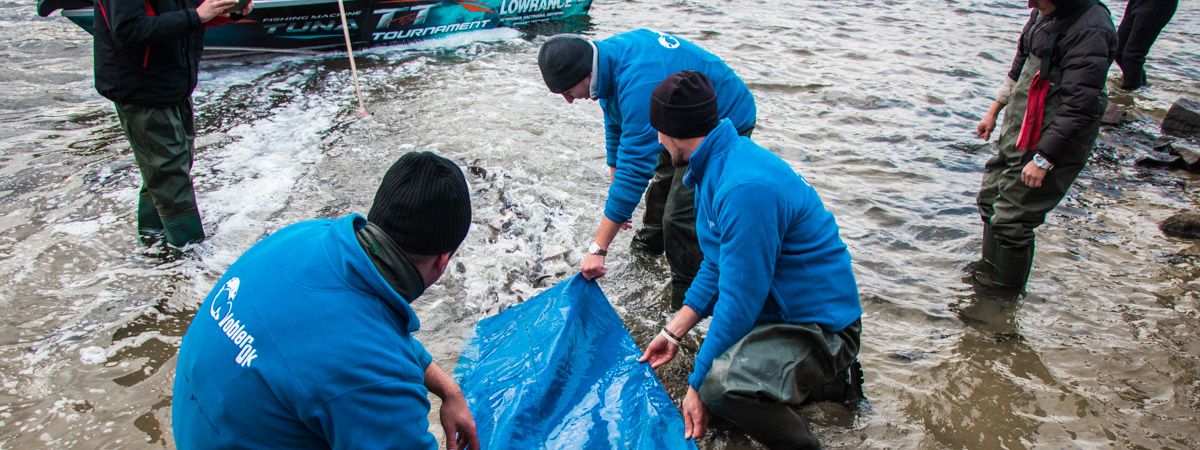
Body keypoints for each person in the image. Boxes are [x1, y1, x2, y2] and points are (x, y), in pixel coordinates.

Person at [172, 152, 480, 449]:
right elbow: (364, 357)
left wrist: (449, 390)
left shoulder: (307, 235)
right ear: (442, 260)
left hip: (201, 422)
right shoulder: (373, 372)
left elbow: (354, 338)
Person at [638, 71, 863, 449]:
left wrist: (697, 384)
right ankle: (796, 391)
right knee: (722, 402)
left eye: (659, 130)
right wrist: (672, 332)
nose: (658, 140)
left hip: (823, 329)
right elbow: (716, 262)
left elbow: (740, 300)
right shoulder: (716, 164)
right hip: (782, 315)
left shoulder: (744, 188)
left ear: (673, 129)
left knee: (720, 387)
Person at [537, 29, 756, 307]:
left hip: (722, 121)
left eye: (568, 91)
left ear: (585, 75)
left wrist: (598, 248)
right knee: (659, 200)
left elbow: (635, 170)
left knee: (679, 217)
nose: (569, 100)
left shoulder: (639, 83)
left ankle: (687, 301)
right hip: (673, 121)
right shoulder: (604, 59)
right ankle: (647, 252)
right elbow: (615, 122)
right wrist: (617, 190)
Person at [972, 0, 1116, 292]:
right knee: (990, 200)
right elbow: (1020, 62)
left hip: (1054, 137)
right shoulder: (1043, 13)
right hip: (1020, 126)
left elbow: (1080, 106)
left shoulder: (1091, 28)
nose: (1030, 4)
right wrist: (994, 109)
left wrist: (1044, 159)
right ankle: (986, 277)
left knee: (1013, 221)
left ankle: (1002, 302)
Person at [94, 0, 250, 247]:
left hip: (173, 81)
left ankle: (154, 242)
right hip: (142, 87)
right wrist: (197, 16)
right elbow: (128, 31)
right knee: (170, 174)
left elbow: (191, 12)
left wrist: (226, 12)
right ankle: (189, 256)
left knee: (171, 168)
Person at [1115, 0, 1178, 90]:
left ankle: (1130, 95)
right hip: (1138, 2)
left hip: (1158, 4)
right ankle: (1139, 89)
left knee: (1132, 55)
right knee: (1118, 49)